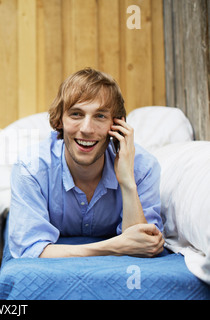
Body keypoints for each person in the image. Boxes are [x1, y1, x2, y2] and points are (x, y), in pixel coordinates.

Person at [8, 68, 165, 259]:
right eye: (76, 114)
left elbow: (144, 245)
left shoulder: (143, 167)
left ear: (116, 125)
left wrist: (127, 181)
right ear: (60, 120)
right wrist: (114, 246)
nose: (87, 129)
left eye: (100, 116)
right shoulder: (30, 169)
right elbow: (29, 250)